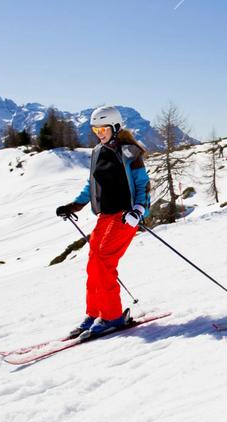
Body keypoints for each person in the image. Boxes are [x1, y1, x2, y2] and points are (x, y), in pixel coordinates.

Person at [56, 106, 151, 338]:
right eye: (95, 129)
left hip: (124, 217)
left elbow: (143, 185)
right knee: (93, 264)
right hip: (105, 216)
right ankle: (95, 313)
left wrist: (139, 210)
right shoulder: (98, 151)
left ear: (115, 127)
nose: (99, 133)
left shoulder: (129, 152)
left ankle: (112, 316)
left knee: (104, 262)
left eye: (103, 128)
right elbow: (92, 184)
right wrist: (75, 205)